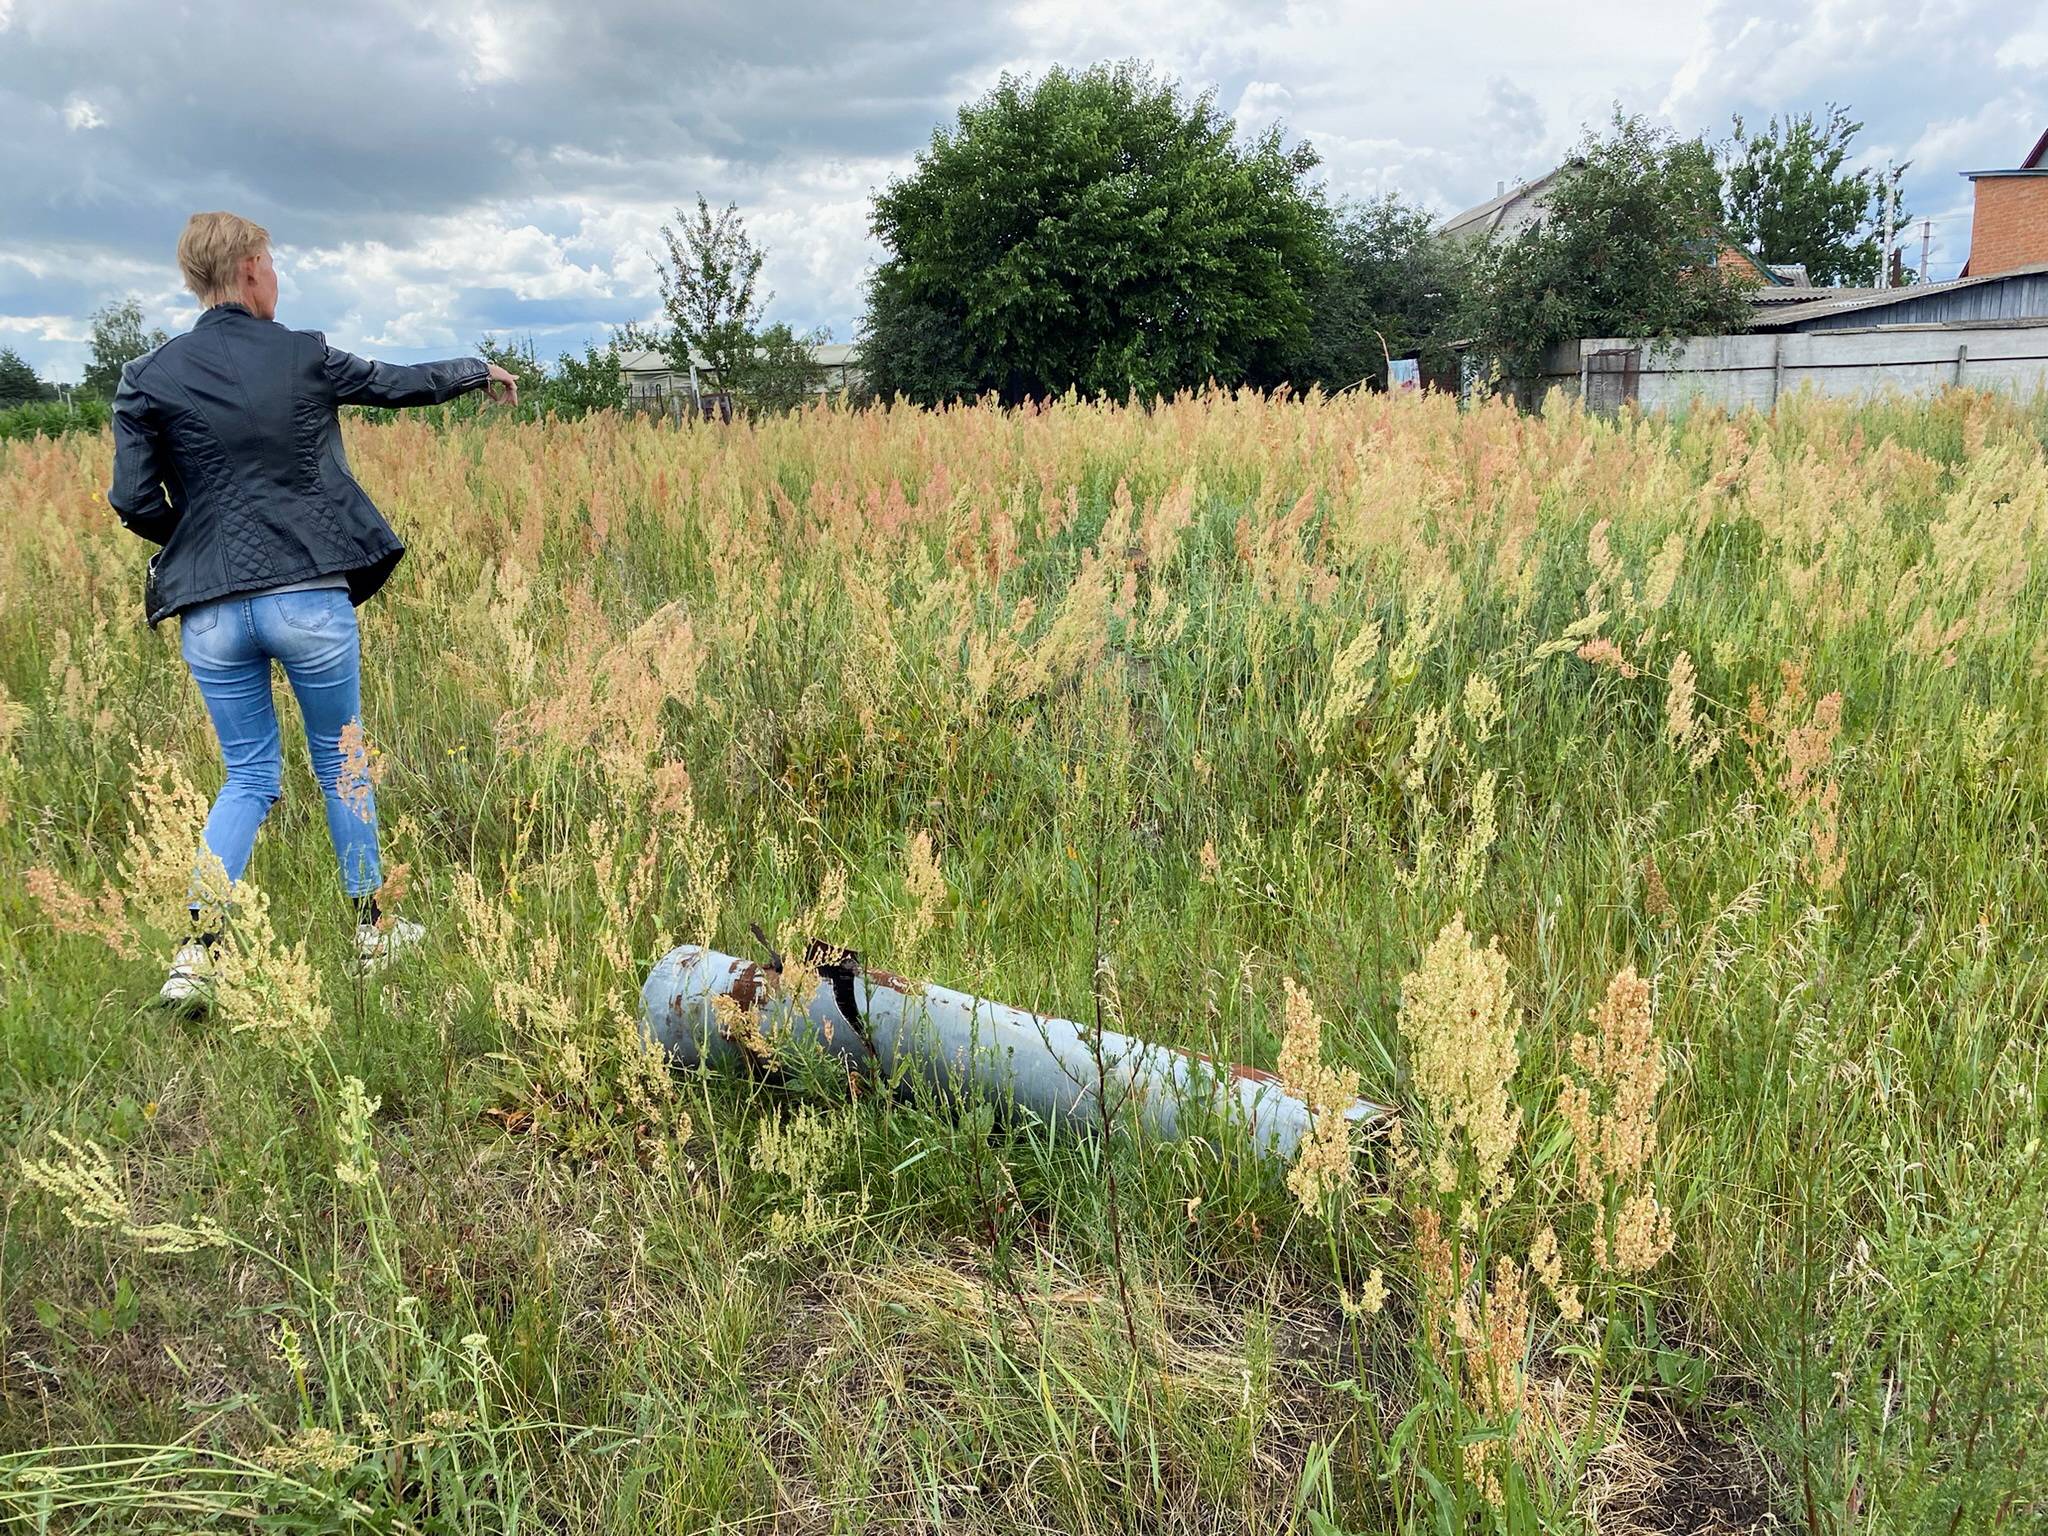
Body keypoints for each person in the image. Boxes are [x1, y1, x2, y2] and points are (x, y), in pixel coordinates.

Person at [106, 211, 520, 1007]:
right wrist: (478, 368)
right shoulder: (302, 353)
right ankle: (372, 933)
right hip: (307, 598)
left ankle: (195, 958)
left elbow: (132, 498)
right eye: (274, 266)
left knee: (248, 777)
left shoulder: (147, 376)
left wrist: (192, 537)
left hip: (211, 612)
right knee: (342, 764)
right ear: (253, 267)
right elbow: (397, 384)